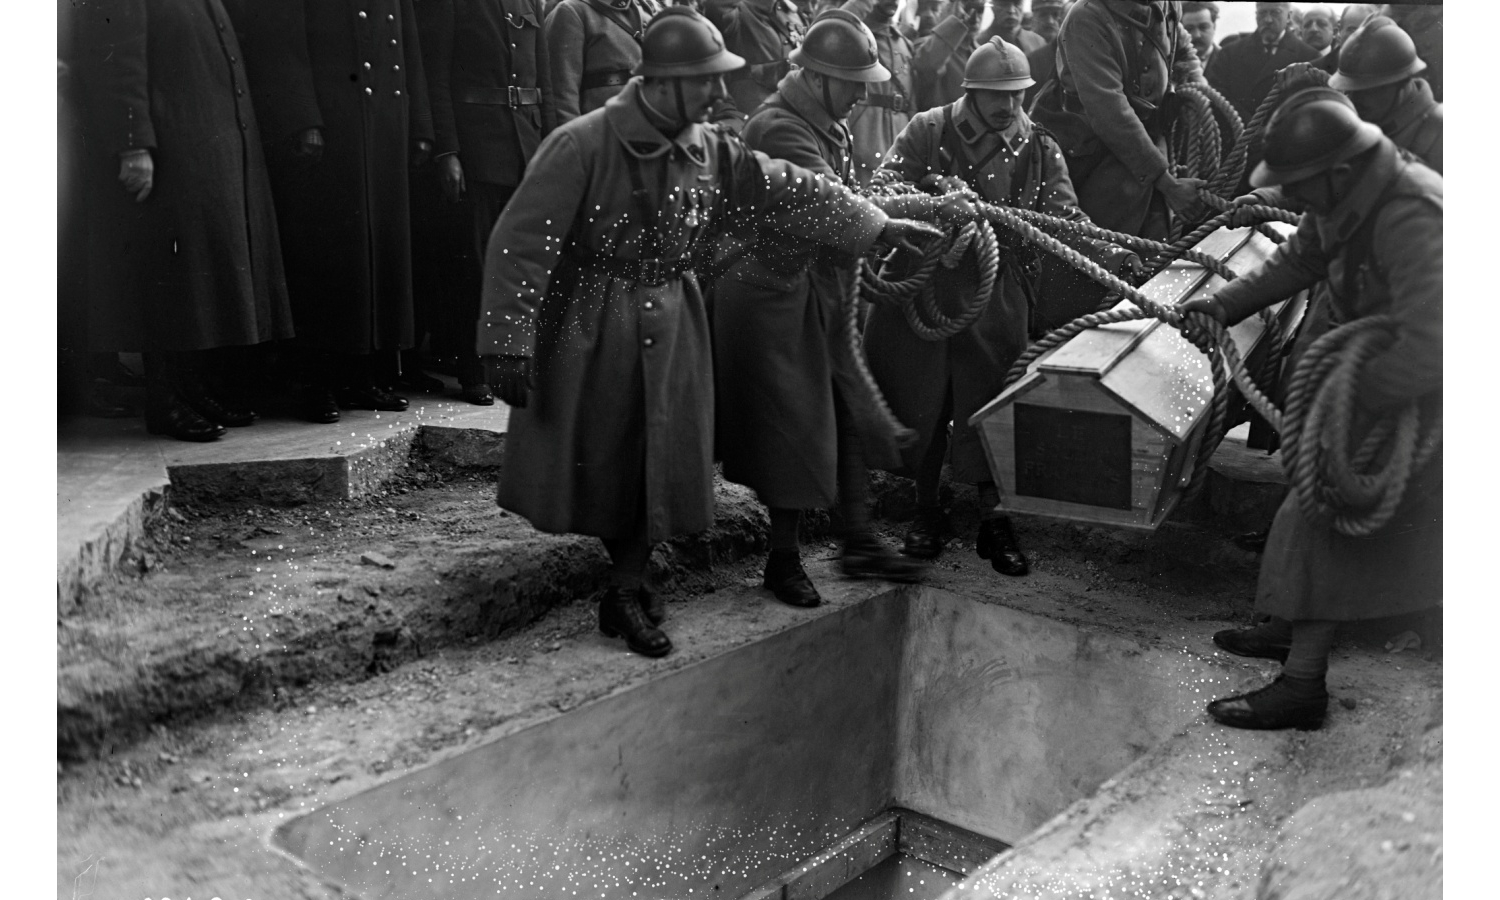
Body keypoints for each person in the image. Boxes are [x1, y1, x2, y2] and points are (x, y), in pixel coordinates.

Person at [476, 7, 940, 657]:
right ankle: (625, 587)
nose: (721, 94)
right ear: (662, 82)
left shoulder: (709, 148)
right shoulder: (581, 144)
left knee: (663, 461)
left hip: (674, 316)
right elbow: (521, 242)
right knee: (614, 460)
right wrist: (505, 339)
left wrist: (873, 224)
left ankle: (629, 584)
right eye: (706, 81)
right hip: (597, 324)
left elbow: (784, 185)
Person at [1180, 90, 1441, 731]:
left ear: (1339, 171)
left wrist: (1348, 398)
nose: (1294, 196)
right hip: (1378, 380)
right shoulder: (1351, 194)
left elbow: (1437, 342)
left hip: (1419, 393)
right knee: (1316, 513)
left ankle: (1302, 686)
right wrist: (1224, 305)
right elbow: (1300, 259)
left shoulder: (1413, 213)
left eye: (1300, 183)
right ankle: (1293, 631)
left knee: (1317, 514)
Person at [714, 10, 975, 607]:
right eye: (854, 82)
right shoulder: (777, 128)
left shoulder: (823, 121)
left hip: (813, 290)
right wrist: (878, 224)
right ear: (819, 77)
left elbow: (846, 197)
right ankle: (782, 560)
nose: (863, 94)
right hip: (772, 298)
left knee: (847, 415)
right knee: (794, 430)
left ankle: (856, 538)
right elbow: (822, 198)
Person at [867, 37, 1141, 575]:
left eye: (1017, 95)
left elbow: (1066, 219)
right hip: (924, 287)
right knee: (925, 401)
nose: (1008, 106)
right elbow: (881, 187)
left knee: (994, 403)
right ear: (971, 91)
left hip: (998, 293)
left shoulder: (1040, 146)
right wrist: (933, 198)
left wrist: (1113, 254)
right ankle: (927, 511)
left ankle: (995, 521)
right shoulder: (929, 128)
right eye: (997, 95)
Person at [73, 0, 294, 441]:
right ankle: (167, 401)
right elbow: (117, 58)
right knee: (170, 279)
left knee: (195, 279)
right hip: (169, 146)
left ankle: (190, 391)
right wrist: (132, 144)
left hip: (203, 143)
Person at [234, 0, 435, 424]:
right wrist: (301, 118)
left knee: (376, 260)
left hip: (383, 122)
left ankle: (360, 376)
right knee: (328, 262)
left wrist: (420, 126)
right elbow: (281, 42)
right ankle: (315, 382)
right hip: (332, 126)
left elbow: (408, 46)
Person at [410, 0, 557, 406]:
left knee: (523, 264)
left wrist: (550, 149)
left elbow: (544, 82)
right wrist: (448, 151)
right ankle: (473, 370)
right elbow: (436, 77)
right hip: (476, 151)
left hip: (525, 149)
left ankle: (517, 362)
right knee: (473, 267)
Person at [1031, 0, 1206, 240]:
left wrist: (1198, 93)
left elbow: (1183, 51)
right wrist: (1167, 184)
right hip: (1090, 151)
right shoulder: (1086, 17)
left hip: (1150, 141)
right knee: (1099, 247)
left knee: (1157, 242)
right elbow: (1109, 110)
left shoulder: (1166, 4)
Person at [1330, 15, 1441, 174]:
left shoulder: (1438, 131)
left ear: (1403, 82)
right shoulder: (1354, 119)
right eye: (1350, 89)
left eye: (1368, 90)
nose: (1354, 99)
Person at [548, 0, 663, 125]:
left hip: (647, 130)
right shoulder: (572, 11)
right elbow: (563, 94)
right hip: (601, 133)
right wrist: (573, 141)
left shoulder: (646, 11)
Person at [1203, 2, 1319, 124]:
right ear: (1256, 15)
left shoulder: (1309, 56)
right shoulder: (1229, 54)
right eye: (1262, 13)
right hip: (1240, 133)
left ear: (1289, 16)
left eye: (1275, 13)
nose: (1268, 20)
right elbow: (1218, 95)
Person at [844, 0, 915, 184]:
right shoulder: (853, 35)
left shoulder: (903, 44)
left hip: (898, 148)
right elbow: (833, 24)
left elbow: (910, 99)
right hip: (865, 141)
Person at [706, 0, 809, 117]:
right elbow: (714, 6)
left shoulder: (792, 13)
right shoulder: (736, 12)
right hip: (753, 117)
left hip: (797, 113)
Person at [911, 0, 984, 112]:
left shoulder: (982, 53)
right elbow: (927, 64)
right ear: (946, 9)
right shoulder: (926, 46)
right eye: (967, 8)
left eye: (980, 10)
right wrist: (955, 23)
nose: (973, 17)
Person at [1022, 0, 1069, 108]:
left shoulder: (1069, 54)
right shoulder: (1028, 58)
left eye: (1055, 14)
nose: (1050, 21)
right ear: (1033, 17)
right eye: (1043, 15)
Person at [981, 0, 1046, 54]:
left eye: (1017, 3)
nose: (1011, 10)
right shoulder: (980, 44)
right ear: (993, 7)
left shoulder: (1038, 42)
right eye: (1004, 4)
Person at [1180, 1, 1218, 71]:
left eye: (1203, 27)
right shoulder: (1173, 63)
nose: (1197, 35)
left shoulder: (1229, 61)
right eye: (1189, 29)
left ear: (1214, 26)